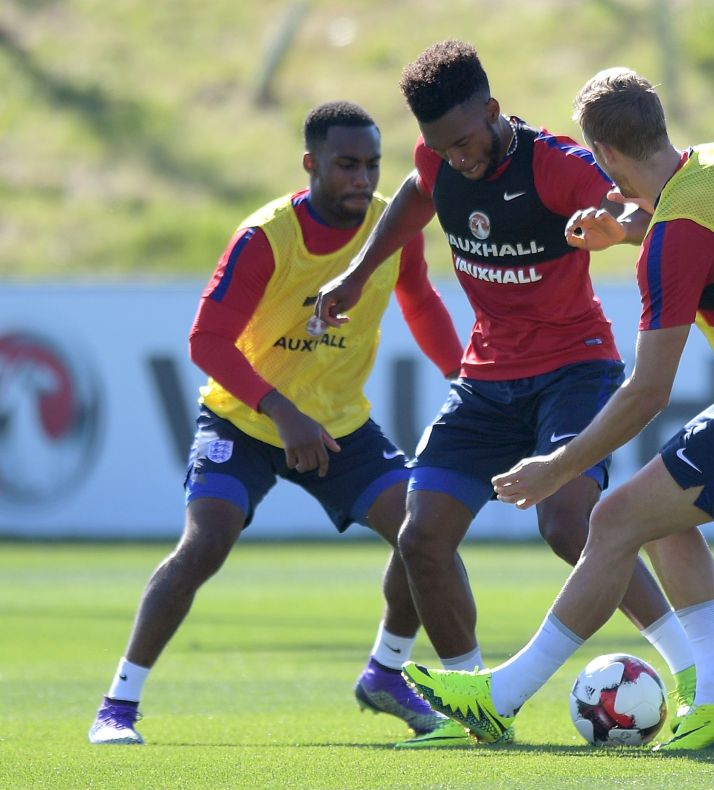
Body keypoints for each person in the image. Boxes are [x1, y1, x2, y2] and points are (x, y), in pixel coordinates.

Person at [401, 67, 714, 750]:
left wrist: (556, 466)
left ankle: (503, 696)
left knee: (614, 518)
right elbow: (702, 237)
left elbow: (647, 391)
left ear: (607, 155)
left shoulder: (674, 241)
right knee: (661, 516)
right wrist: (623, 234)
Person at [315, 41, 699, 744]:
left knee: (568, 525)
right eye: (439, 147)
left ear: (493, 112)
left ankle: (693, 670)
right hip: (486, 380)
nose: (455, 158)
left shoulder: (554, 166)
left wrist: (618, 230)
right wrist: (357, 273)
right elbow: (412, 197)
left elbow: (643, 210)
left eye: (464, 142)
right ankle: (475, 699)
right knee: (420, 535)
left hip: (574, 371)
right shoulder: (438, 160)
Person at [88, 101, 469, 749]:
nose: (361, 177)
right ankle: (117, 706)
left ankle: (386, 672)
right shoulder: (266, 237)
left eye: (372, 164)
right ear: (310, 164)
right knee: (206, 542)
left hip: (341, 425)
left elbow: (421, 301)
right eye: (345, 164)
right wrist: (283, 413)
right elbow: (207, 342)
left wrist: (464, 377)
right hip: (245, 420)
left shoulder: (390, 227)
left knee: (422, 533)